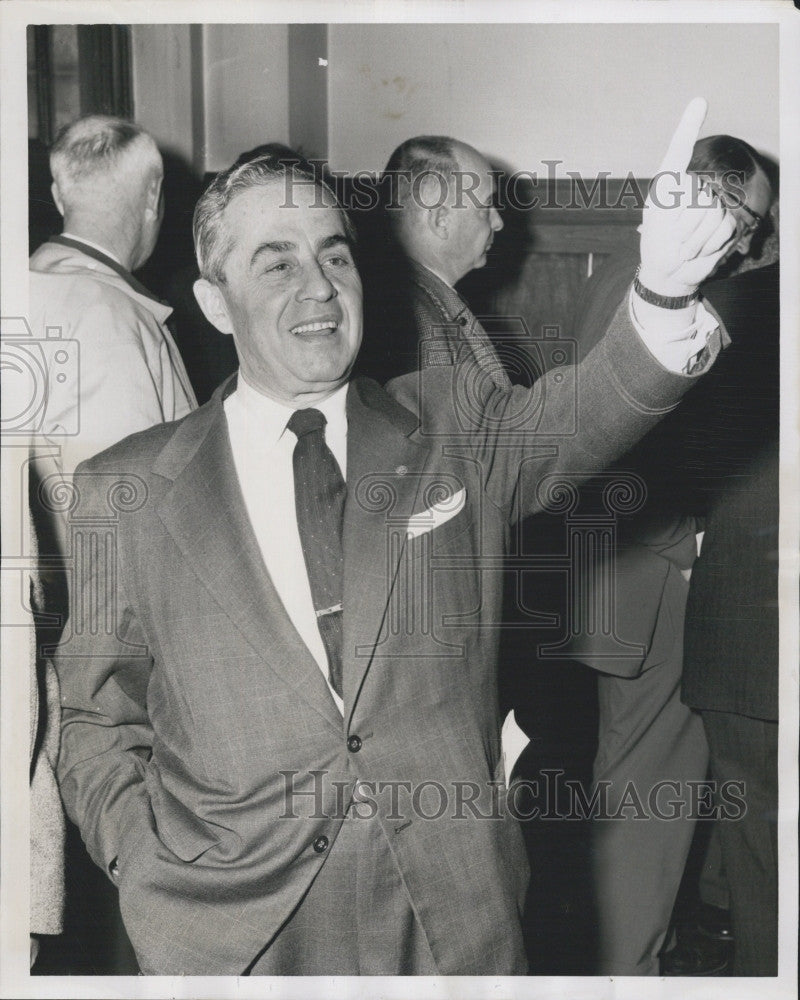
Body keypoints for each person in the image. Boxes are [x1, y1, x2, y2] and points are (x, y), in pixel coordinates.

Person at [54, 100, 737, 976]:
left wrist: (664, 294)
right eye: (278, 262)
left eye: (335, 254)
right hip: (231, 937)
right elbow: (94, 718)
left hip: (453, 919)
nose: (318, 285)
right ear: (213, 304)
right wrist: (136, 858)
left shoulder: (450, 421)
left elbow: (582, 414)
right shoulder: (130, 489)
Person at [556, 133, 775, 976]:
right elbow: (618, 450)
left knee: (639, 791)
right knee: (649, 800)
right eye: (750, 220)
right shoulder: (679, 291)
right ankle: (628, 972)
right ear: (718, 200)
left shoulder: (623, 267)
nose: (753, 241)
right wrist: (692, 545)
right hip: (658, 579)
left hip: (621, 579)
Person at [28, 114, 196, 480]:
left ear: (59, 197)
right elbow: (126, 496)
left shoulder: (23, 284)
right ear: (153, 194)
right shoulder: (108, 319)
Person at [358, 135, 507, 387]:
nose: (498, 222)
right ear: (441, 221)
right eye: (486, 208)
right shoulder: (417, 326)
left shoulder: (412, 301)